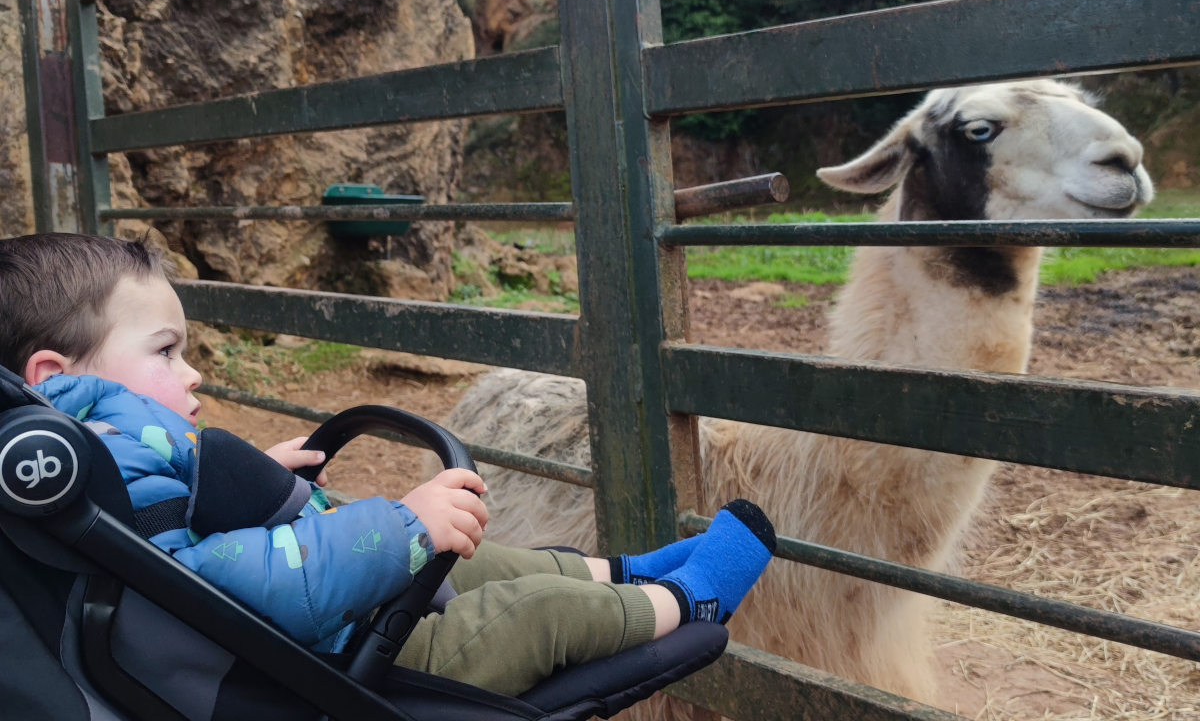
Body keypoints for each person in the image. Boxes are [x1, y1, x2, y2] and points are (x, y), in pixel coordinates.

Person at [0, 233, 777, 698]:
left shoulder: (86, 465)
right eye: (167, 351)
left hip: (333, 623)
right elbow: (235, 589)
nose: (194, 372)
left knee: (484, 563)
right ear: (52, 377)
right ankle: (688, 599)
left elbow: (167, 535)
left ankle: (629, 568)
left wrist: (242, 478)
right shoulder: (102, 455)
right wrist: (403, 525)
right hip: (334, 658)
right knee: (530, 610)